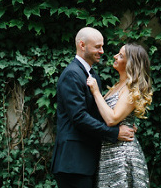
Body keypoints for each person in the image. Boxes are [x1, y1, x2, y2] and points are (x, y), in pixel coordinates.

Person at [52, 27, 136, 188]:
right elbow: (79, 117)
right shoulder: (72, 74)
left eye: (102, 46)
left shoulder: (91, 75)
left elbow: (96, 114)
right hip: (73, 162)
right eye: (97, 47)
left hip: (86, 161)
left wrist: (123, 124)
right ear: (82, 45)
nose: (102, 51)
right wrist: (115, 133)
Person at [86, 43, 153, 188]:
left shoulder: (131, 88)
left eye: (121, 55)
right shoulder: (117, 86)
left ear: (131, 63)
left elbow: (112, 119)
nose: (115, 56)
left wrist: (96, 93)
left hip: (122, 154)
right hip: (109, 151)